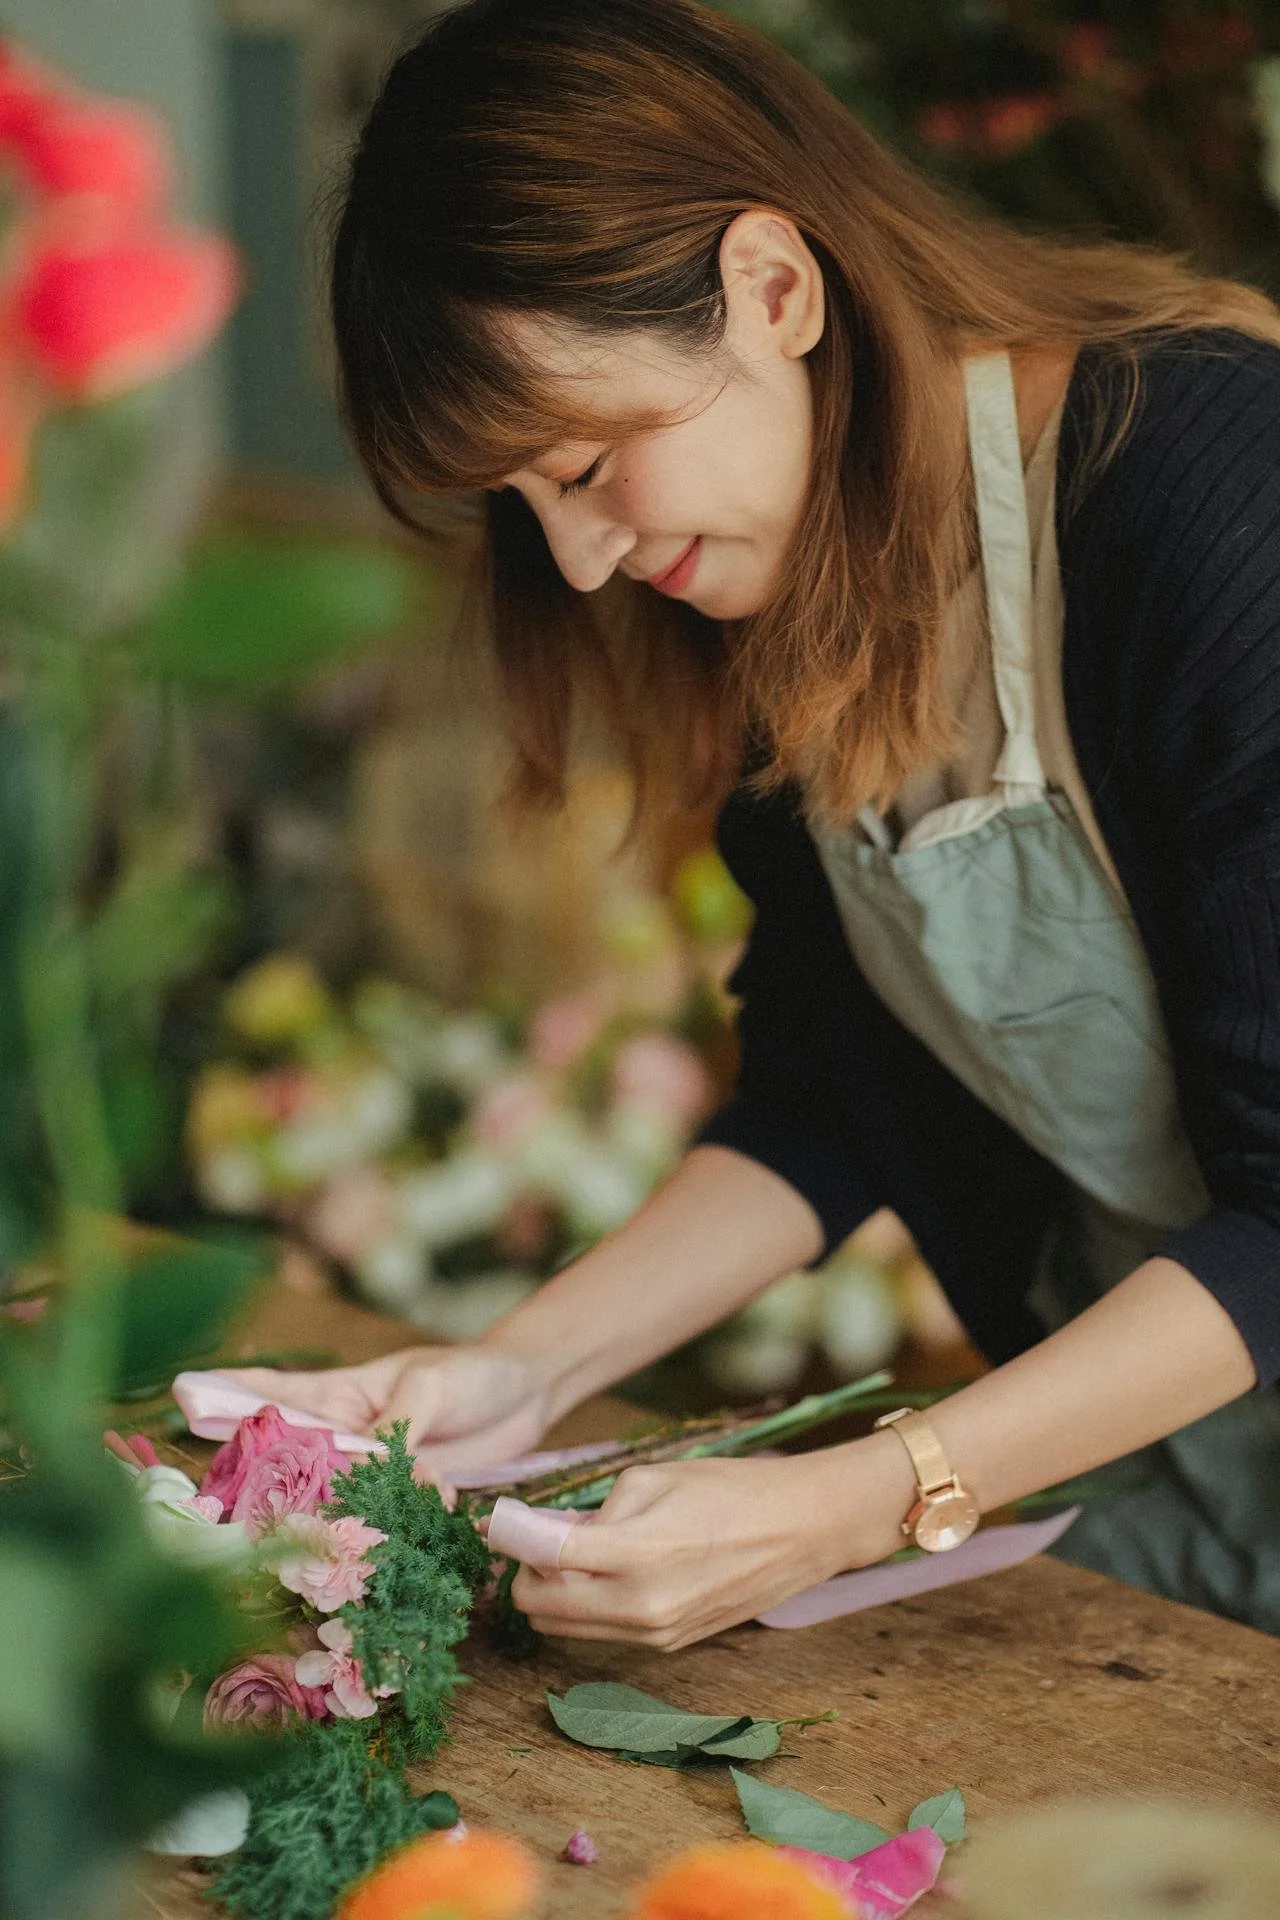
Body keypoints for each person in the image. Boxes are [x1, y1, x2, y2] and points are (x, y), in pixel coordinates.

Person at [226, 0, 1280, 1647]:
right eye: (523, 505)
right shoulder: (796, 579)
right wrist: (521, 1367)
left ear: (772, 289)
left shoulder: (1207, 487)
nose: (574, 562)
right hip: (1186, 1479)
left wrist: (861, 1497)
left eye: (585, 465)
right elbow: (835, 1092)